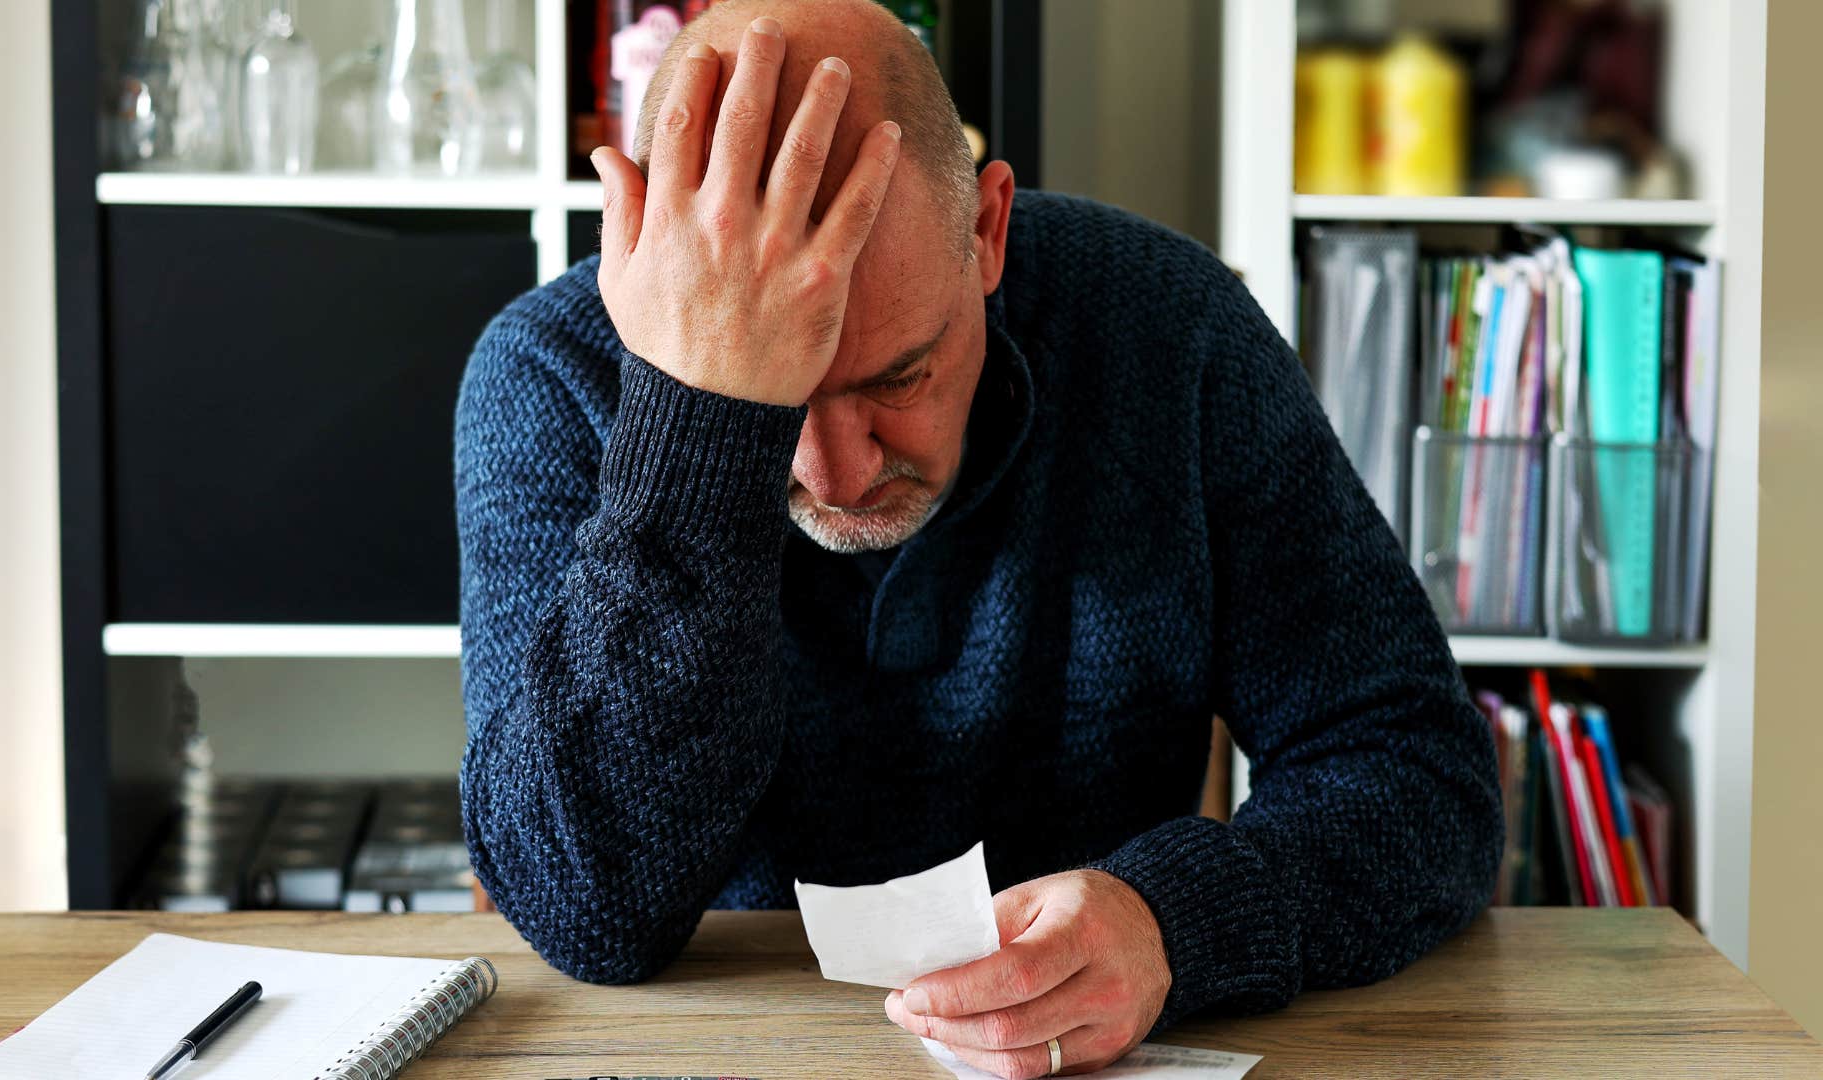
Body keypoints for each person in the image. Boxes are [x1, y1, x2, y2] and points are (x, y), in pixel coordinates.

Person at [453, 0, 1502, 1075]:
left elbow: (1419, 772)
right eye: (782, 411)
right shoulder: (547, 373)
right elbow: (584, 911)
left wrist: (1174, 925)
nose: (840, 473)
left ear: (988, 229)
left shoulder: (1166, 329)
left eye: (899, 376)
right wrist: (698, 419)